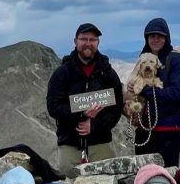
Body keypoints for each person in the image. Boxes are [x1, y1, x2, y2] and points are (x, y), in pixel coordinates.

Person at [46, 22, 123, 175]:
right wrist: (82, 115)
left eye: (92, 40)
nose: (88, 43)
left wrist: (94, 125)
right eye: (84, 39)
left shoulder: (108, 74)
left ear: (98, 43)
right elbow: (53, 106)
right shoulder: (62, 73)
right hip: (70, 144)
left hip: (101, 143)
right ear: (75, 41)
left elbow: (117, 108)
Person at [131, 17, 180, 170]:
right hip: (144, 128)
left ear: (167, 37)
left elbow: (178, 93)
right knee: (143, 175)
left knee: (166, 175)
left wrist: (146, 91)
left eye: (160, 36)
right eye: (152, 36)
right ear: (147, 38)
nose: (156, 39)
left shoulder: (176, 60)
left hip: (168, 129)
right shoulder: (143, 59)